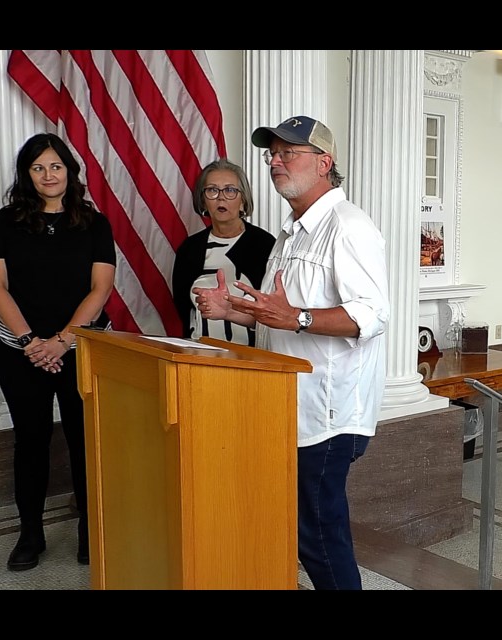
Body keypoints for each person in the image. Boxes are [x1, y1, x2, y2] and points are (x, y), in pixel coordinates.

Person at [193, 116, 389, 590]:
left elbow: (372, 317)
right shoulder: (291, 231)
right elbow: (278, 317)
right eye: (272, 154)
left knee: (321, 538)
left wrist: (298, 317)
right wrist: (236, 311)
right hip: (289, 405)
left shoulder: (349, 226)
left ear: (325, 162)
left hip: (328, 413)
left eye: (288, 153)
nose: (276, 162)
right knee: (305, 533)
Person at [0, 133, 116, 571]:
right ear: (26, 174)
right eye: (38, 167)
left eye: (56, 166)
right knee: (30, 441)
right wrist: (31, 343)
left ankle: (90, 530)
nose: (48, 175)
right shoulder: (4, 222)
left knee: (85, 440)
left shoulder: (93, 223)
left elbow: (100, 289)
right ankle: (31, 534)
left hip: (80, 348)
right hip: (18, 350)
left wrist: (63, 341)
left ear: (70, 171)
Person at [171, 159, 275, 345]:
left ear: (243, 200)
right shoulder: (189, 249)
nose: (221, 197)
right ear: (203, 201)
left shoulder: (264, 245)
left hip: (252, 358)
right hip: (199, 354)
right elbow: (183, 308)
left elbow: (274, 310)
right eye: (212, 190)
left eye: (230, 190)